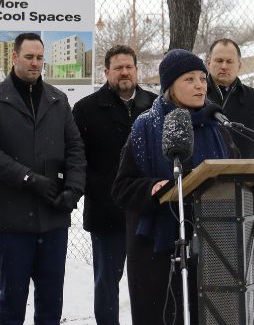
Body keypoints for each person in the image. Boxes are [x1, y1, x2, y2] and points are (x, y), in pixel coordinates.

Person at [111, 49, 239, 325]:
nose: (199, 85)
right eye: (189, 79)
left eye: (202, 79)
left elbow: (236, 177)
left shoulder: (218, 126)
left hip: (212, 248)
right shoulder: (146, 127)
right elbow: (121, 188)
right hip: (157, 251)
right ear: (170, 86)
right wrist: (151, 189)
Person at [0, 32, 86, 325]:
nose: (35, 63)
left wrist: (73, 189)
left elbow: (75, 147)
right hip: (14, 219)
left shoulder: (57, 99)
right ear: (15, 57)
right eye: (29, 57)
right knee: (13, 299)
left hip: (53, 215)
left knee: (51, 300)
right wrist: (29, 178)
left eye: (39, 57)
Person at [72, 45, 157, 325]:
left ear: (136, 70)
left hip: (148, 210)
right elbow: (76, 159)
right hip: (106, 212)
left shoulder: (156, 106)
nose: (124, 73)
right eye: (117, 68)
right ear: (106, 72)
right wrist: (93, 190)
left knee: (149, 282)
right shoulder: (85, 110)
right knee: (107, 282)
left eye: (129, 67)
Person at [206, 38, 254, 158]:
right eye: (219, 61)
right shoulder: (196, 95)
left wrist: (250, 155)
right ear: (209, 63)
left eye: (229, 61)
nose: (224, 66)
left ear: (239, 65)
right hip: (205, 172)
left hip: (245, 171)